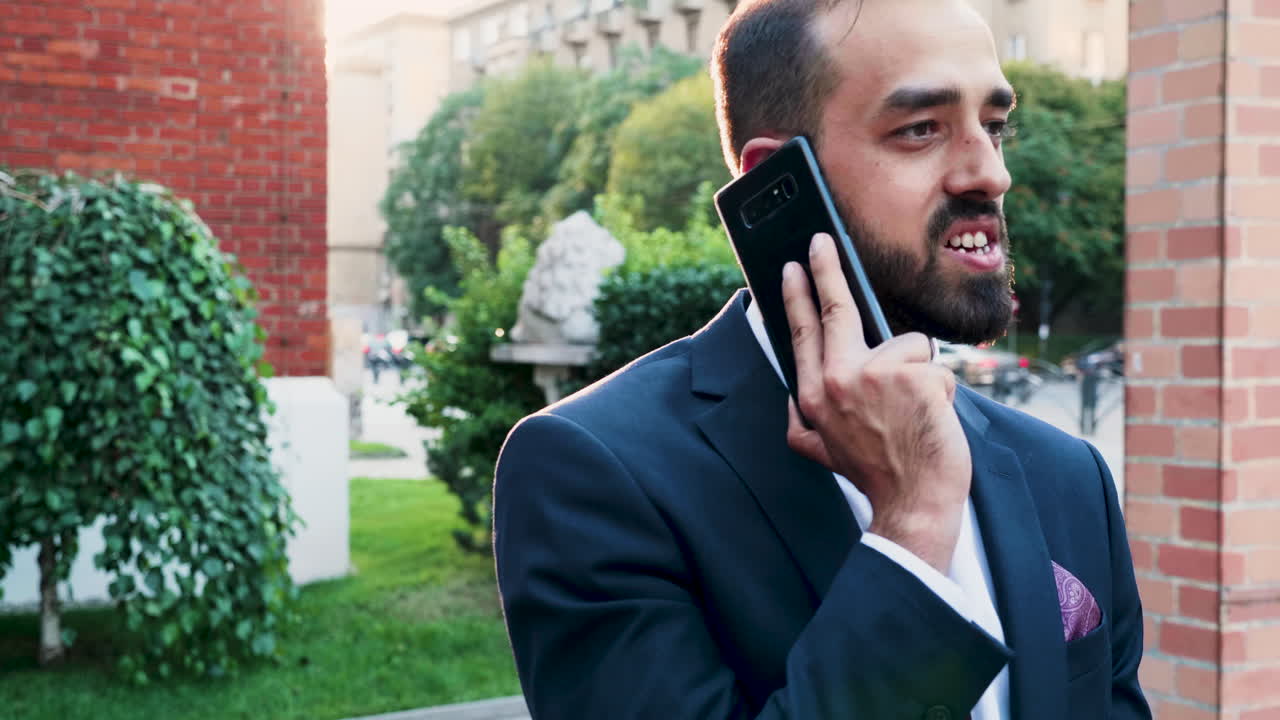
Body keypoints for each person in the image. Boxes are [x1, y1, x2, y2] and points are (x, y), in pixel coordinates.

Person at [493, 0, 1151, 718]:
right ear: (777, 183)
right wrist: (913, 525)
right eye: (920, 129)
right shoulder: (588, 474)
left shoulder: (1068, 475)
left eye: (993, 127)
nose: (991, 173)